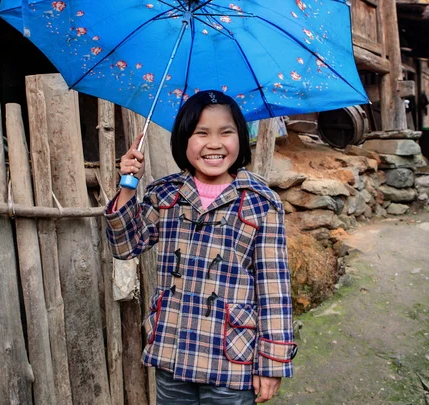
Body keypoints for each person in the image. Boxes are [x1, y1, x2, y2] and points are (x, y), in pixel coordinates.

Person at [105, 90, 296, 404]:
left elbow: (274, 288)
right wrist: (128, 185)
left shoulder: (260, 203)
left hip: (231, 361)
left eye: (226, 132)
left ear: (241, 138)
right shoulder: (166, 195)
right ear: (184, 139)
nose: (214, 143)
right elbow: (126, 246)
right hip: (172, 351)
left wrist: (273, 363)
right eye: (201, 133)